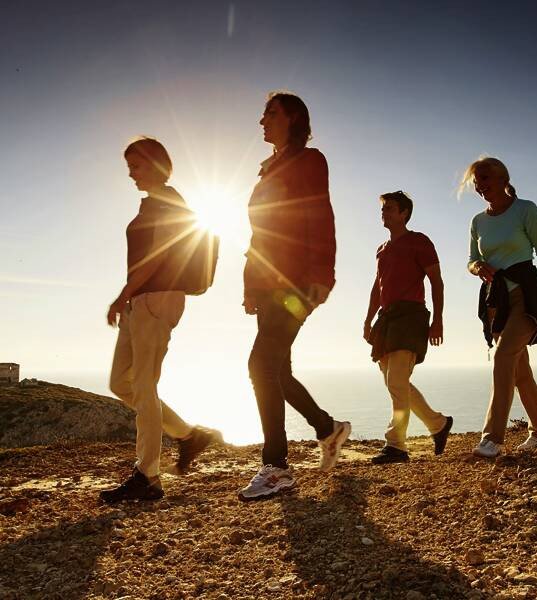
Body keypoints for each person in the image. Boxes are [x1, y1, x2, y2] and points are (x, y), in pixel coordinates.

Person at [239, 92, 350, 500]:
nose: (262, 120)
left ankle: (277, 468)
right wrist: (250, 285)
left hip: (297, 283)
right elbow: (259, 235)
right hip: (268, 285)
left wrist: (323, 275)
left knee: (260, 364)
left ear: (293, 119)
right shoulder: (267, 171)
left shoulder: (309, 160)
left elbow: (320, 215)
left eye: (270, 113)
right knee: (277, 371)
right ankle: (328, 429)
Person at [101, 137, 220, 504]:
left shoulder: (168, 201)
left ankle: (147, 476)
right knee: (121, 382)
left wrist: (122, 294)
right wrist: (128, 298)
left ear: (155, 164)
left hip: (157, 298)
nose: (131, 174)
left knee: (144, 384)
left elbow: (157, 258)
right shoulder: (151, 203)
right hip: (140, 301)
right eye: (129, 167)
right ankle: (188, 435)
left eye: (135, 166)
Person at [462, 157, 537, 458]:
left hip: (527, 297)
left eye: (485, 178)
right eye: (476, 181)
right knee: (519, 370)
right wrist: (477, 267)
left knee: (503, 357)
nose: (480, 186)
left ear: (503, 178)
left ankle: (492, 439)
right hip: (495, 301)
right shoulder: (478, 221)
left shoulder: (526, 209)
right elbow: (471, 260)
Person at [363, 191, 453, 464]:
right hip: (387, 319)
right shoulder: (382, 249)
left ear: (404, 213)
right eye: (383, 209)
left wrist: (438, 321)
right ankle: (438, 424)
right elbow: (377, 287)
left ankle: (396, 445)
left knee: (396, 382)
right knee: (395, 383)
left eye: (389, 208)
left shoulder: (419, 241)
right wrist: (368, 320)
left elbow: (437, 281)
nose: (384, 212)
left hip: (411, 317)